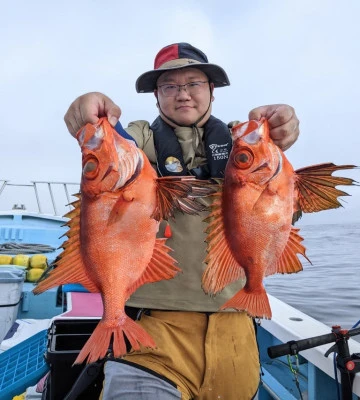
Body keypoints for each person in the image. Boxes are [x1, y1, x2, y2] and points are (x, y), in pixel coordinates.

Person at [64, 42, 300, 400]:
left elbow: (283, 215)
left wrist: (282, 131)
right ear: (157, 96)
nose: (183, 94)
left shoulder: (242, 141)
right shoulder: (140, 140)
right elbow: (110, 144)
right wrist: (87, 110)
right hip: (153, 334)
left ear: (212, 92)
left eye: (194, 83)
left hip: (236, 332)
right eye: (170, 86)